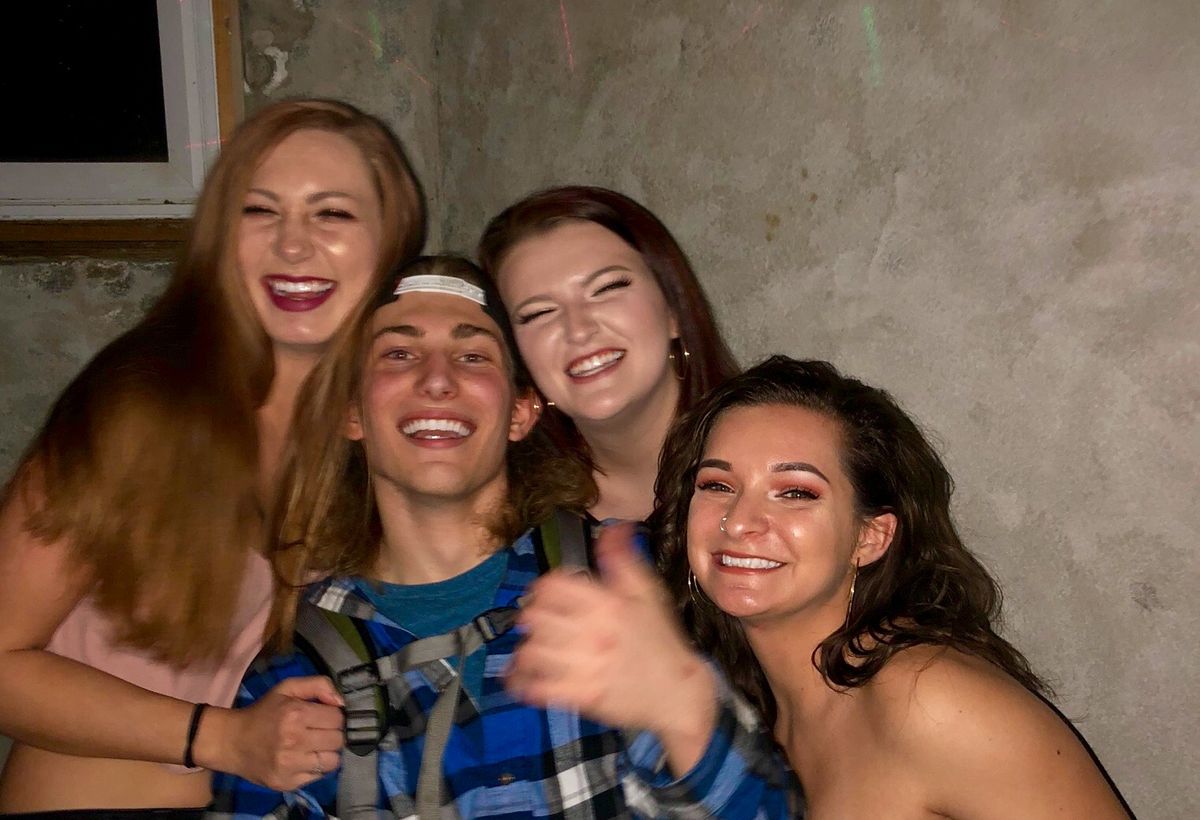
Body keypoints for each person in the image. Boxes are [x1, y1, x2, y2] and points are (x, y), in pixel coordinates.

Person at [209, 256, 802, 818]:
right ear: (351, 412)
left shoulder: (647, 582)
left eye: (472, 356)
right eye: (399, 353)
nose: (437, 380)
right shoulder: (289, 679)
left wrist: (683, 709)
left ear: (521, 412)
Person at [0, 99, 423, 816]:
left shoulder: (366, 436)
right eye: (260, 210)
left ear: (390, 244)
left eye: (332, 214)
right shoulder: (144, 407)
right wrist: (222, 738)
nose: (294, 246)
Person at [652, 355, 1131, 818]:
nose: (738, 522)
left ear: (870, 537)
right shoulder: (741, 702)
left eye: (795, 492)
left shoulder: (930, 703)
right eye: (717, 485)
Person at [477, 186, 737, 524]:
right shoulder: (508, 517)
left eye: (606, 288)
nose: (578, 329)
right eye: (538, 313)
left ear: (673, 308)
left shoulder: (782, 458)